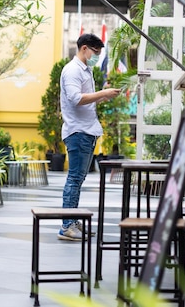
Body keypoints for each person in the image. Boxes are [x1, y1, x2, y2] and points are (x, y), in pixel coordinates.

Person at [58, 33, 121, 240]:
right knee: (74, 179)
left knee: (78, 179)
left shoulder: (85, 70)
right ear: (84, 48)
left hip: (85, 131)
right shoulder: (73, 70)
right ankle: (67, 225)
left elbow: (85, 101)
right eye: (95, 52)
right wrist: (103, 94)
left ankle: (72, 220)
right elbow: (76, 99)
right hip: (78, 132)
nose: (96, 57)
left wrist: (103, 95)